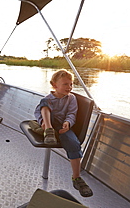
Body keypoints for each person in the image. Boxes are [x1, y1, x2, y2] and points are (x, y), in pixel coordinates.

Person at [32, 69, 93, 197]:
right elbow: (38, 112)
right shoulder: (48, 99)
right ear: (55, 85)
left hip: (63, 127)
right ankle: (48, 130)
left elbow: (71, 113)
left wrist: (68, 123)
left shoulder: (71, 98)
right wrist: (43, 121)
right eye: (65, 84)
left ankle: (76, 178)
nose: (69, 87)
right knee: (44, 103)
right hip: (49, 123)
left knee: (74, 143)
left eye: (71, 84)